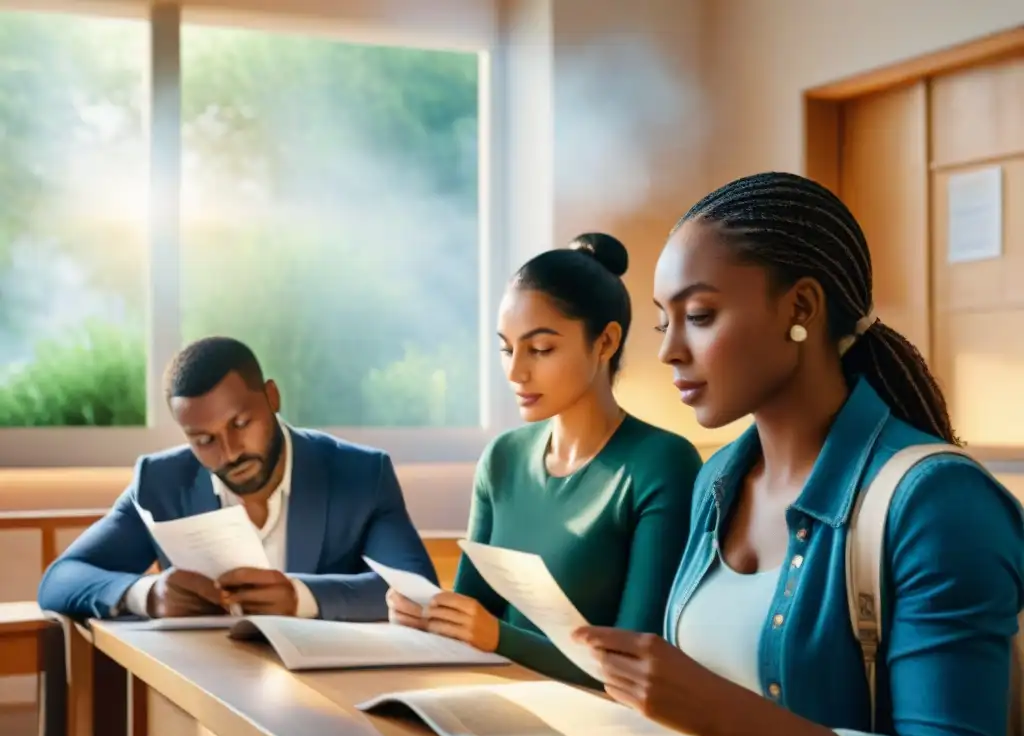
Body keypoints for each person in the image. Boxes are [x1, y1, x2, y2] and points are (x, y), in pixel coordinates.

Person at [571, 172, 1024, 736]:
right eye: (664, 321)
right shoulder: (715, 483)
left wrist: (713, 708)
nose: (668, 351)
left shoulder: (936, 503)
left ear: (801, 306)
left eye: (700, 315)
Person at [387, 233, 703, 687]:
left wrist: (497, 637)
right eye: (506, 348)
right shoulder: (502, 459)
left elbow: (634, 666)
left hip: (604, 729)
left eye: (540, 349)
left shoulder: (661, 464)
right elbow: (476, 615)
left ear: (606, 342)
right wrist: (429, 614)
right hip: (498, 704)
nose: (516, 371)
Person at [37, 336, 438, 622]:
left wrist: (301, 597)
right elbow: (61, 579)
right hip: (207, 690)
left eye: (241, 423)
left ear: (272, 397)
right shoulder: (160, 482)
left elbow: (417, 591)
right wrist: (147, 594)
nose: (229, 452)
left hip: (329, 696)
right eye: (204, 439)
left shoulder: (362, 474)